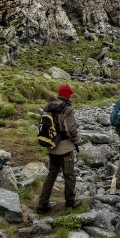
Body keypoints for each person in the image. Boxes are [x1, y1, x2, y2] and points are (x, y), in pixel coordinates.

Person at [37, 84, 80, 213]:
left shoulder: (49, 106)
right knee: (69, 175)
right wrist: (77, 141)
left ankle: (42, 204)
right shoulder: (67, 109)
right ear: (67, 94)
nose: (71, 95)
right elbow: (71, 129)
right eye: (70, 94)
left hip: (52, 146)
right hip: (65, 148)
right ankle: (70, 203)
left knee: (52, 174)